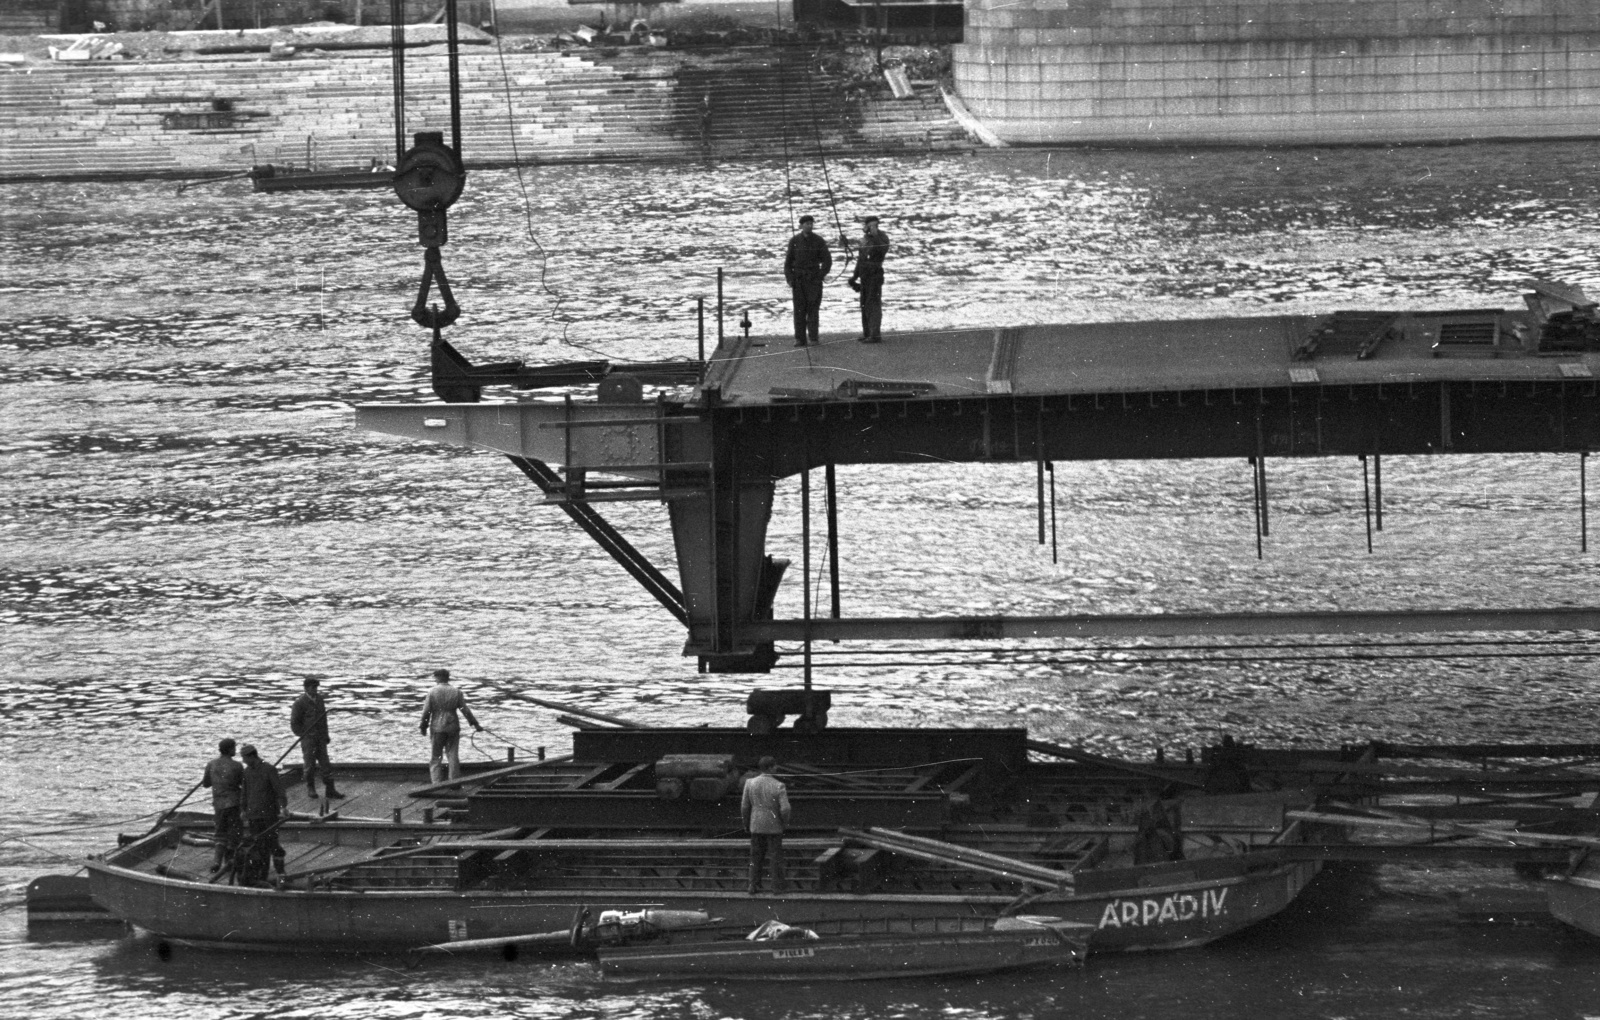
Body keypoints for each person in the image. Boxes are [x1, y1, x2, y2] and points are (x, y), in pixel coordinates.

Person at [420, 668, 482, 784]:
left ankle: (436, 782)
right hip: (453, 725)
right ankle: (454, 781)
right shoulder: (456, 691)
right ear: (448, 677)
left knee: (436, 756)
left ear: (438, 677)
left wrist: (423, 726)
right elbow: (465, 710)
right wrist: (475, 724)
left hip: (437, 726)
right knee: (453, 754)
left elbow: (427, 711)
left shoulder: (432, 692)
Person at [238, 744, 288, 885]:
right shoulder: (247, 772)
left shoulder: (269, 769)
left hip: (269, 815)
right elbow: (245, 793)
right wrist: (243, 809)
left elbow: (279, 790)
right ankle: (262, 876)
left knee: (273, 843)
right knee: (259, 846)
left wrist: (283, 807)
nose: (243, 761)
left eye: (244, 758)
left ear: (252, 756)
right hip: (254, 815)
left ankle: (281, 873)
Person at [741, 755, 791, 895]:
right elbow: (786, 808)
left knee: (755, 857)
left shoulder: (749, 783)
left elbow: (744, 807)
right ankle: (777, 887)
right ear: (769, 768)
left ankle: (753, 885)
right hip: (774, 826)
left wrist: (746, 823)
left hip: (756, 824)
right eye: (774, 766)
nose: (776, 768)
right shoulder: (778, 785)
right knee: (776, 858)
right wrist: (784, 823)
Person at [290, 677, 343, 800]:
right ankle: (311, 788)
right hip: (308, 739)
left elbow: (323, 720)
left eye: (316, 687)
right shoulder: (299, 703)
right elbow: (294, 724)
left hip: (320, 738)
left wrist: (326, 735)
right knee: (309, 765)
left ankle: (330, 789)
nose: (315, 690)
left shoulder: (320, 700)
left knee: (326, 764)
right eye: (313, 687)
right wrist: (303, 735)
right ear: (306, 688)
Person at [783, 215, 832, 347]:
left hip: (813, 280)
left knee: (813, 310)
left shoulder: (819, 241)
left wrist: (820, 275)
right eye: (806, 224)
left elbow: (827, 261)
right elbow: (787, 264)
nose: (809, 226)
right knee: (799, 311)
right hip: (798, 280)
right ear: (801, 226)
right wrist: (790, 279)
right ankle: (799, 338)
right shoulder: (794, 241)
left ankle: (813, 337)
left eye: (811, 223)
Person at [200, 737, 244, 875]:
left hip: (219, 804)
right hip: (234, 803)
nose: (235, 750)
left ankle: (216, 862)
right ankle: (230, 862)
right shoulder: (237, 766)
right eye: (234, 748)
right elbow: (243, 784)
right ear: (230, 749)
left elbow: (206, 784)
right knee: (234, 833)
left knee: (220, 832)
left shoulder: (211, 764)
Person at [847, 216, 891, 343]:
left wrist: (875, 235)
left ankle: (875, 335)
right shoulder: (864, 240)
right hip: (864, 274)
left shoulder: (882, 237)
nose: (872, 228)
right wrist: (854, 277)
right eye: (870, 226)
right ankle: (867, 333)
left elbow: (882, 250)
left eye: (875, 226)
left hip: (875, 274)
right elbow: (860, 260)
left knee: (873, 304)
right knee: (864, 304)